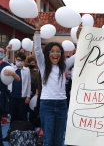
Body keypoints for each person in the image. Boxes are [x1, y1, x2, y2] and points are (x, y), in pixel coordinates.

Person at [34, 18, 75, 146]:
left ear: (61, 53)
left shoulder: (64, 65)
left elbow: (78, 54)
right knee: (48, 140)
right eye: (53, 51)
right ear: (48, 54)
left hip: (62, 105)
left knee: (59, 140)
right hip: (47, 105)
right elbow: (37, 50)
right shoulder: (43, 65)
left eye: (58, 51)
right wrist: (37, 30)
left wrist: (80, 37)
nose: (55, 54)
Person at [0, 46, 20, 145]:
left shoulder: (6, 66)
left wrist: (12, 73)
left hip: (2, 94)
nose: (1, 53)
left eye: (2, 52)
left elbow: (18, 78)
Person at [10, 52, 31, 122]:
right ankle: (12, 131)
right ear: (15, 59)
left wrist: (28, 96)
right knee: (13, 115)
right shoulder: (11, 68)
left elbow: (28, 84)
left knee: (22, 115)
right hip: (12, 96)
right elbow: (3, 62)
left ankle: (23, 131)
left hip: (23, 97)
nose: (20, 62)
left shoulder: (27, 70)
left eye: (22, 61)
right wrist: (8, 51)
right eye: (18, 60)